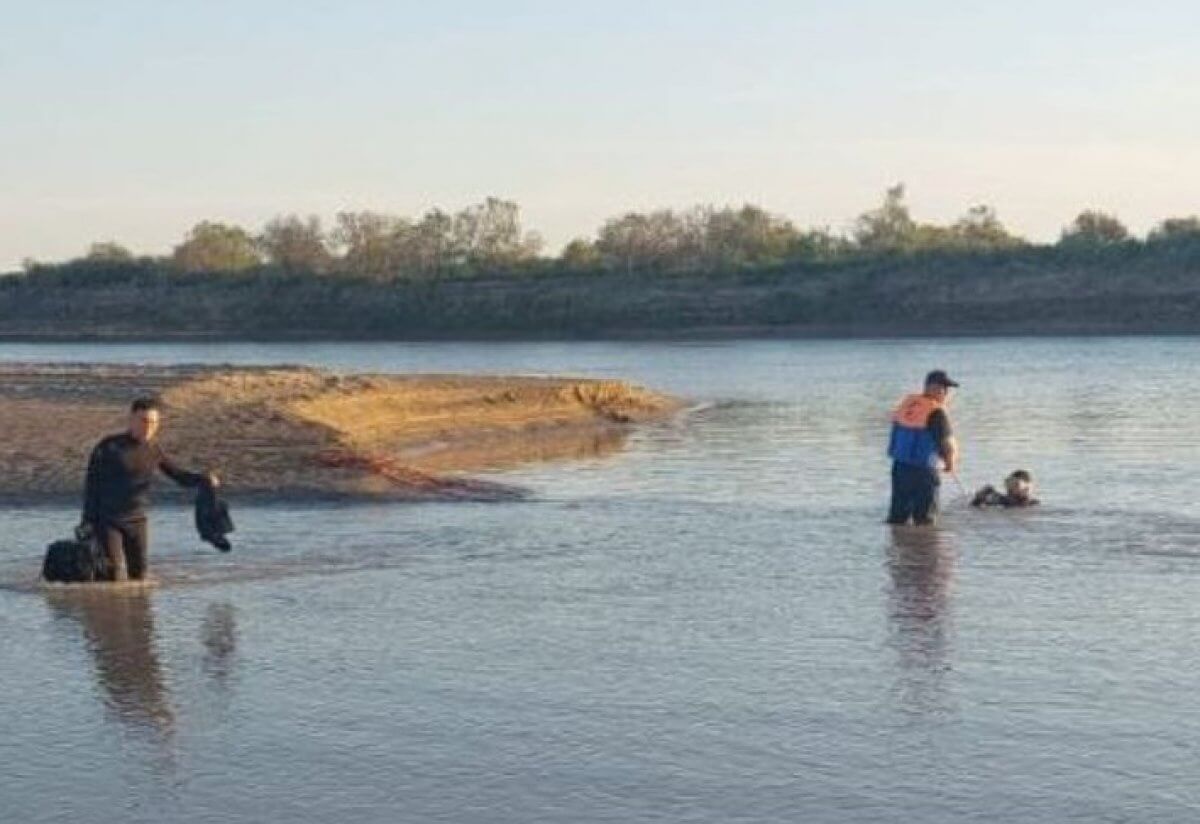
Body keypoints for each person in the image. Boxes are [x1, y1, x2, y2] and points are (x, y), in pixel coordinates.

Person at [80, 397, 219, 582]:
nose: (149, 427)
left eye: (154, 422)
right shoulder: (109, 447)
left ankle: (138, 611)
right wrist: (87, 521)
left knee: (140, 577)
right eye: (144, 421)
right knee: (111, 575)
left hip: (137, 521)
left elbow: (178, 476)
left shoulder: (153, 450)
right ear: (131, 419)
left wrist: (203, 479)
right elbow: (92, 485)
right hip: (107, 520)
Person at [886, 370, 960, 526]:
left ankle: (897, 547)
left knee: (897, 517)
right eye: (943, 388)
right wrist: (950, 464)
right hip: (924, 470)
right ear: (931, 387)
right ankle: (925, 548)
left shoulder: (906, 405)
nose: (946, 393)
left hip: (900, 467)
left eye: (947, 389)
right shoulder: (936, 411)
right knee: (925, 519)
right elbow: (947, 443)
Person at [971, 470, 1039, 508]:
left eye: (1016, 485)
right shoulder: (998, 499)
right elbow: (975, 505)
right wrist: (980, 498)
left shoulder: (1033, 503)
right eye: (1012, 485)